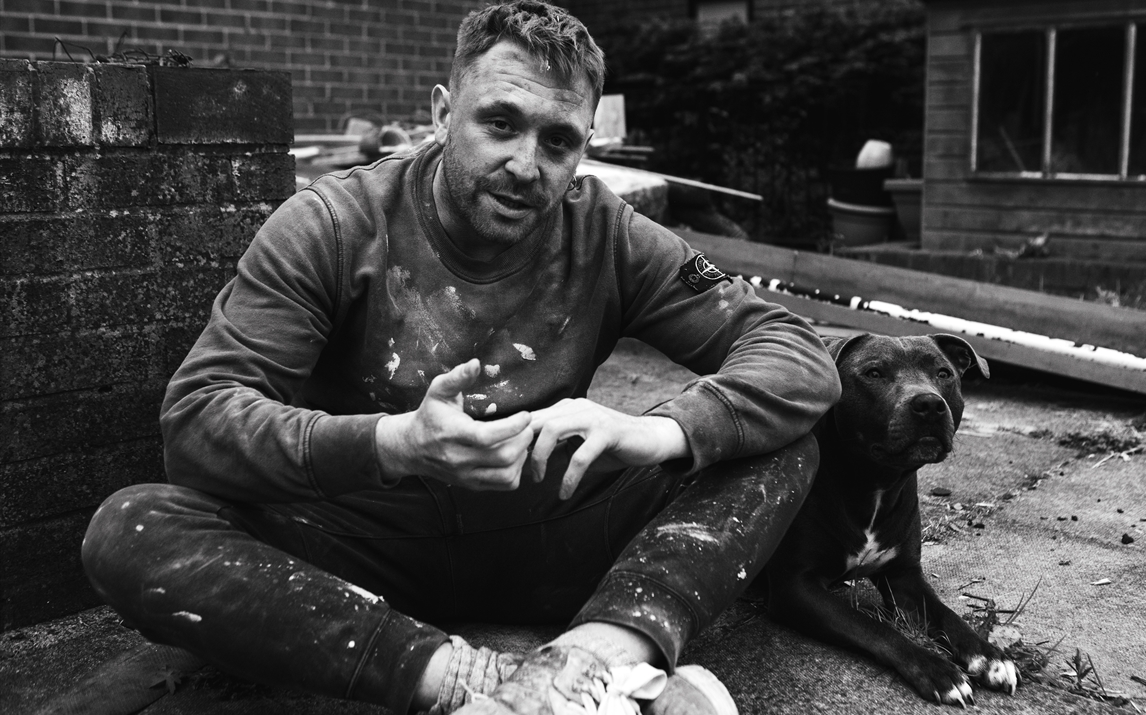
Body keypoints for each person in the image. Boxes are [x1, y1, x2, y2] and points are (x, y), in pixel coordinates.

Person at [80, 2, 840, 713]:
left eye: (557, 141)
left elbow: (793, 351)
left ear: (584, 146)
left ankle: (602, 650)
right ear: (444, 114)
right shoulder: (332, 224)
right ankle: (468, 679)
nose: (525, 163)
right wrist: (394, 443)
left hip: (556, 534)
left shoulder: (605, 229)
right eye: (500, 123)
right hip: (363, 548)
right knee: (132, 529)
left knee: (784, 442)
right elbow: (198, 421)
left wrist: (661, 430)